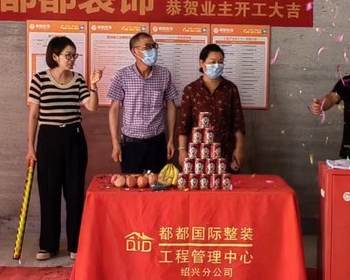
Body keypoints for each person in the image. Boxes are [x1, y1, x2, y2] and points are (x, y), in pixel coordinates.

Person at [27, 37, 103, 261]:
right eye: (68, 55)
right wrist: (30, 147)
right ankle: (47, 245)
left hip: (74, 138)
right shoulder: (39, 80)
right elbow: (33, 115)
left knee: (74, 194)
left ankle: (75, 244)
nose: (72, 59)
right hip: (48, 138)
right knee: (49, 193)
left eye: (74, 55)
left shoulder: (78, 80)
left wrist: (94, 85)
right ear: (55, 56)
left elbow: (91, 107)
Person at [107, 32, 179, 174]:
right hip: (131, 144)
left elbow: (171, 106)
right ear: (134, 51)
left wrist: (171, 139)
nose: (153, 50)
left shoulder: (164, 74)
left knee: (158, 184)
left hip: (157, 143)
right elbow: (114, 110)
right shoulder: (122, 75)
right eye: (148, 47)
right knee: (131, 184)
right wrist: (115, 143)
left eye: (154, 46)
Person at [177, 44, 246, 173]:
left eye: (220, 62)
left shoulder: (230, 89)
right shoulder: (191, 90)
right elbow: (183, 124)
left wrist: (239, 148)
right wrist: (182, 150)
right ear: (202, 63)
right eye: (212, 62)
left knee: (226, 184)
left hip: (225, 150)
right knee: (200, 184)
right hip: (198, 153)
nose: (217, 65)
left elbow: (238, 122)